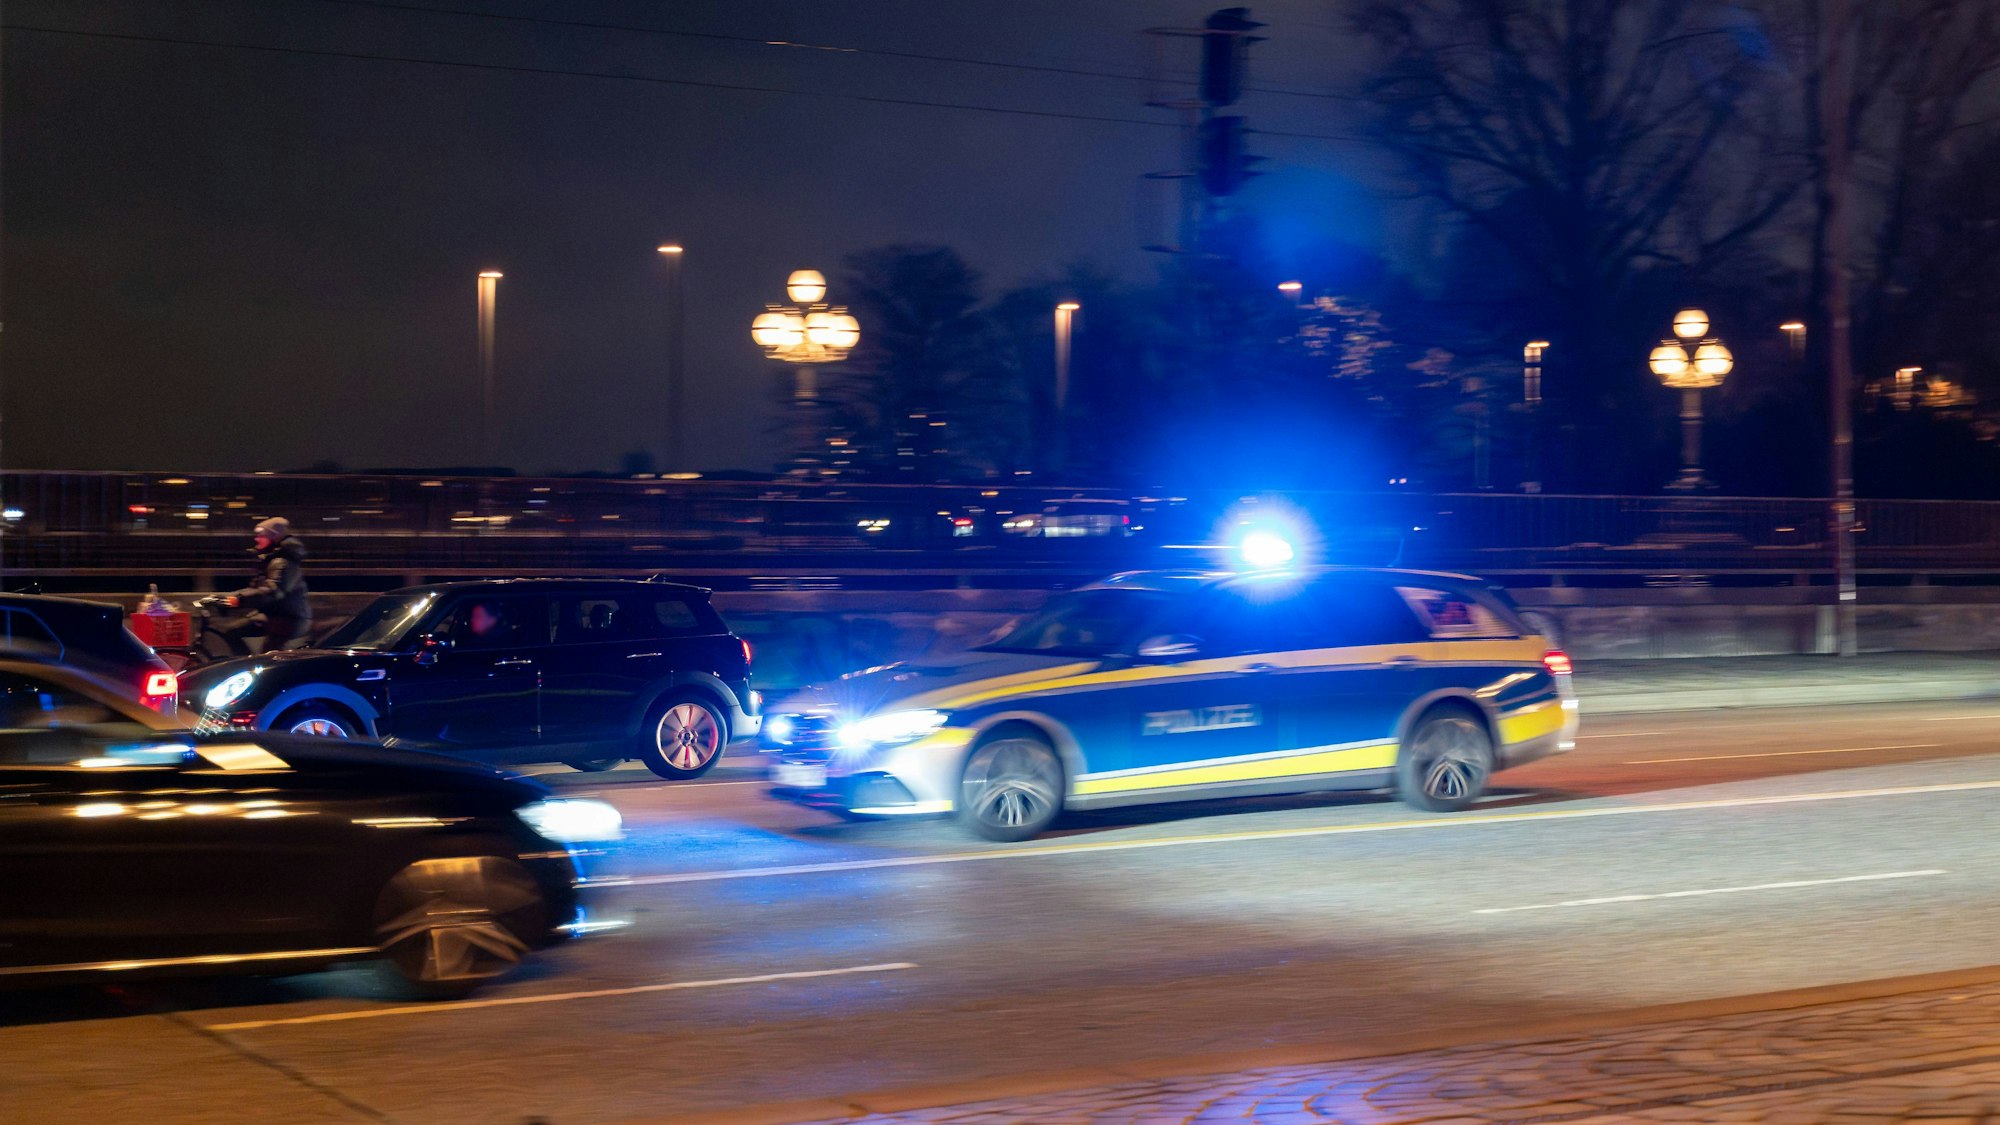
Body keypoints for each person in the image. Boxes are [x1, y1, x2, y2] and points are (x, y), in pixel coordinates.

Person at [212, 517, 311, 658]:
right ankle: (246, 664)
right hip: (275, 616)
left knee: (266, 658)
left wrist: (237, 600)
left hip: (288, 620)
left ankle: (247, 666)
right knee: (232, 631)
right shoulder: (273, 559)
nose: (256, 539)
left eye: (261, 535)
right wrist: (226, 597)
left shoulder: (282, 562)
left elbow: (271, 591)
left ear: (274, 536)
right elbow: (254, 588)